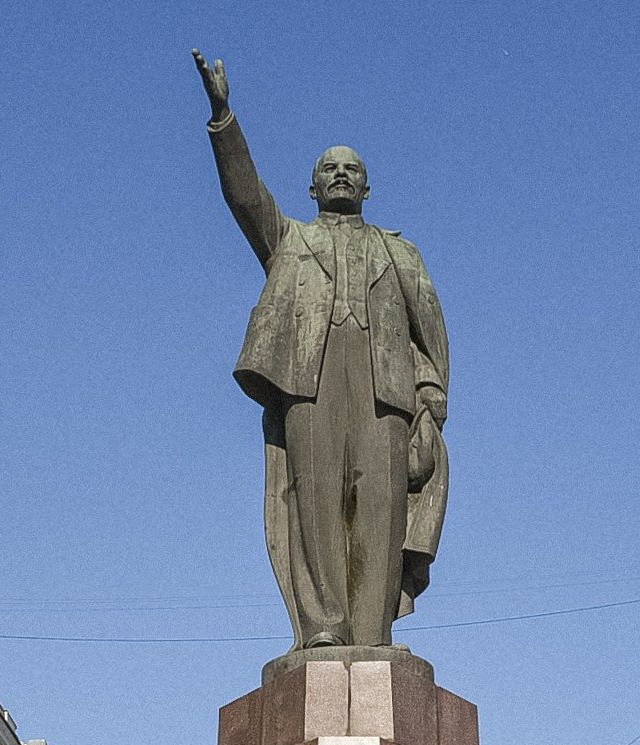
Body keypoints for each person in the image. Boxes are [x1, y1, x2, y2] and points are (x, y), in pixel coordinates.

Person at [192, 49, 450, 649]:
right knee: (316, 504)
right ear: (310, 187)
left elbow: (430, 334)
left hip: (386, 392)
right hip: (309, 382)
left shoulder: (402, 254)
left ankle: (372, 633)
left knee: (381, 509)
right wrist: (224, 116)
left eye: (351, 169)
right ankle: (325, 629)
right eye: (329, 168)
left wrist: (431, 401)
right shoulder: (290, 242)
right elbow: (244, 196)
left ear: (367, 186)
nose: (340, 174)